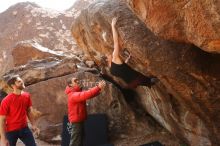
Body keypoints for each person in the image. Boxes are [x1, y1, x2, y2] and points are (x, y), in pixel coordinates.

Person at [105, 17, 158, 89]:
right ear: (107, 59)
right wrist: (113, 26)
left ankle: (150, 82)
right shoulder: (114, 57)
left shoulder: (111, 70)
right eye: (108, 55)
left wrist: (127, 60)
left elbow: (121, 68)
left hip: (131, 83)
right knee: (151, 80)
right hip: (137, 78)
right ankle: (153, 81)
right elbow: (116, 41)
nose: (109, 54)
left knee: (147, 81)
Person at [65, 77, 106, 146]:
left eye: (77, 79)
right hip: (76, 121)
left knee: (80, 139)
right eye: (75, 81)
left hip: (79, 120)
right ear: (70, 85)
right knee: (75, 141)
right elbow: (85, 95)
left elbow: (88, 95)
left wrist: (99, 91)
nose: (78, 81)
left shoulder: (76, 93)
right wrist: (97, 87)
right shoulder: (72, 95)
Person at [0, 75, 39, 146]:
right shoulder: (6, 101)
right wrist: (3, 138)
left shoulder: (27, 96)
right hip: (10, 131)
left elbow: (29, 111)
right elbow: (2, 120)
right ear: (13, 85)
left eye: (21, 80)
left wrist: (33, 125)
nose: (22, 82)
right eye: (19, 81)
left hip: (24, 128)